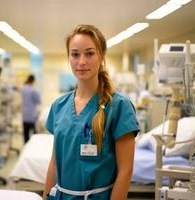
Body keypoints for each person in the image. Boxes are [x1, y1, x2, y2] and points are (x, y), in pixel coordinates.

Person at [42, 24, 140, 200]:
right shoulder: (59, 106)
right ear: (69, 57)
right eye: (75, 54)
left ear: (101, 56)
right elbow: (54, 164)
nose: (81, 62)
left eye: (89, 53)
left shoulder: (119, 107)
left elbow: (125, 171)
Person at [21, 74, 41, 143]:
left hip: (25, 114)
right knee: (34, 134)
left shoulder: (24, 88)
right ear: (33, 80)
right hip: (31, 115)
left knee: (25, 134)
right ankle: (33, 146)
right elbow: (38, 101)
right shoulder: (33, 90)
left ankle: (26, 147)